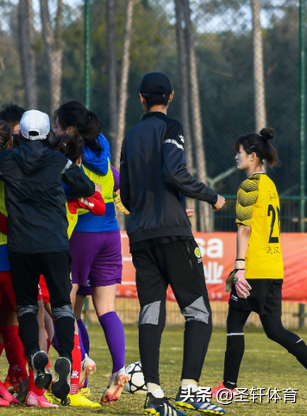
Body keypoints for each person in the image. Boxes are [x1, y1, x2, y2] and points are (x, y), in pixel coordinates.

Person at [119, 72, 226, 416]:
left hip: (141, 236)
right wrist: (213, 197)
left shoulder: (131, 134)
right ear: (172, 96)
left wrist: (161, 210)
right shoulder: (172, 126)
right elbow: (174, 172)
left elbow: (129, 195)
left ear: (140, 99)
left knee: (151, 312)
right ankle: (190, 391)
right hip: (173, 235)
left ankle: (154, 395)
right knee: (199, 314)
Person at [0, 110, 95, 405]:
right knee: (63, 308)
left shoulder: (7, 159)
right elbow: (86, 187)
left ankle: (34, 356)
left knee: (27, 309)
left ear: (19, 134)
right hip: (55, 244)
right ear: (45, 135)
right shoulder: (58, 160)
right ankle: (65, 356)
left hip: (20, 246)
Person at [211, 129, 307, 398]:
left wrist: (239, 267)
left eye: (240, 153)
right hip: (273, 268)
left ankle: (228, 387)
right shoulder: (270, 186)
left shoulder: (248, 186)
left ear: (253, 156)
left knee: (234, 324)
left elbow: (244, 230)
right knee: (275, 330)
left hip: (252, 270)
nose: (236, 156)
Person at [53, 101, 128, 405]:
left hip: (80, 238)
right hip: (110, 237)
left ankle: (81, 359)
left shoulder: (72, 158)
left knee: (65, 309)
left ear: (70, 129)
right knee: (106, 310)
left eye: (58, 126)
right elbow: (122, 188)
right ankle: (120, 368)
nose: (55, 131)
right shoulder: (106, 158)